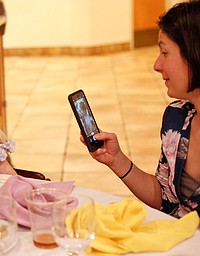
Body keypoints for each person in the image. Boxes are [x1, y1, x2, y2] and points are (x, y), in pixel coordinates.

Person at [82, 1, 200, 218]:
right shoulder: (177, 119)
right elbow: (166, 199)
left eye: (165, 53)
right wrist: (117, 161)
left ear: (194, 54)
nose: (156, 65)